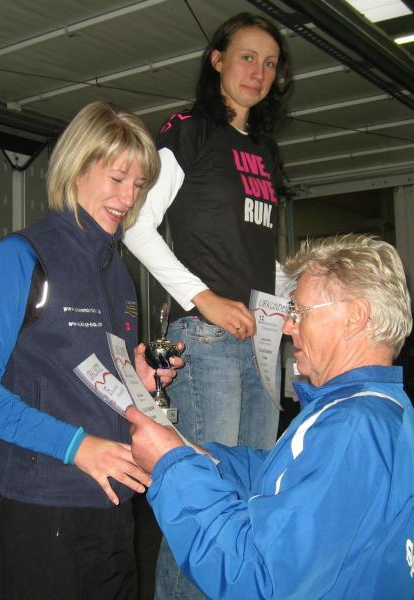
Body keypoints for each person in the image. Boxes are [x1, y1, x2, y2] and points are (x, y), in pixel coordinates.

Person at [0, 101, 181, 600]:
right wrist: (76, 446)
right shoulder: (20, 257)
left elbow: (91, 378)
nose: (128, 198)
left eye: (138, 185)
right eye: (117, 178)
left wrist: (138, 381)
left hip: (114, 501)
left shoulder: (117, 274)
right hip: (40, 504)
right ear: (77, 167)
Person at [128, 234, 414, 599]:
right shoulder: (385, 409)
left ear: (355, 316)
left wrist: (174, 470)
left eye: (298, 312)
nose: (287, 326)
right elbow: (285, 477)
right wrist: (192, 454)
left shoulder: (352, 425)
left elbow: (260, 578)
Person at [123, 14, 292, 596]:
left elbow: (258, 251)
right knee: (200, 500)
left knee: (253, 499)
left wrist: (289, 303)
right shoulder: (188, 130)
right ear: (217, 60)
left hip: (260, 342)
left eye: (270, 63)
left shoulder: (266, 150)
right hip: (206, 338)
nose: (258, 72)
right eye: (247, 57)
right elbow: (136, 227)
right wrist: (204, 299)